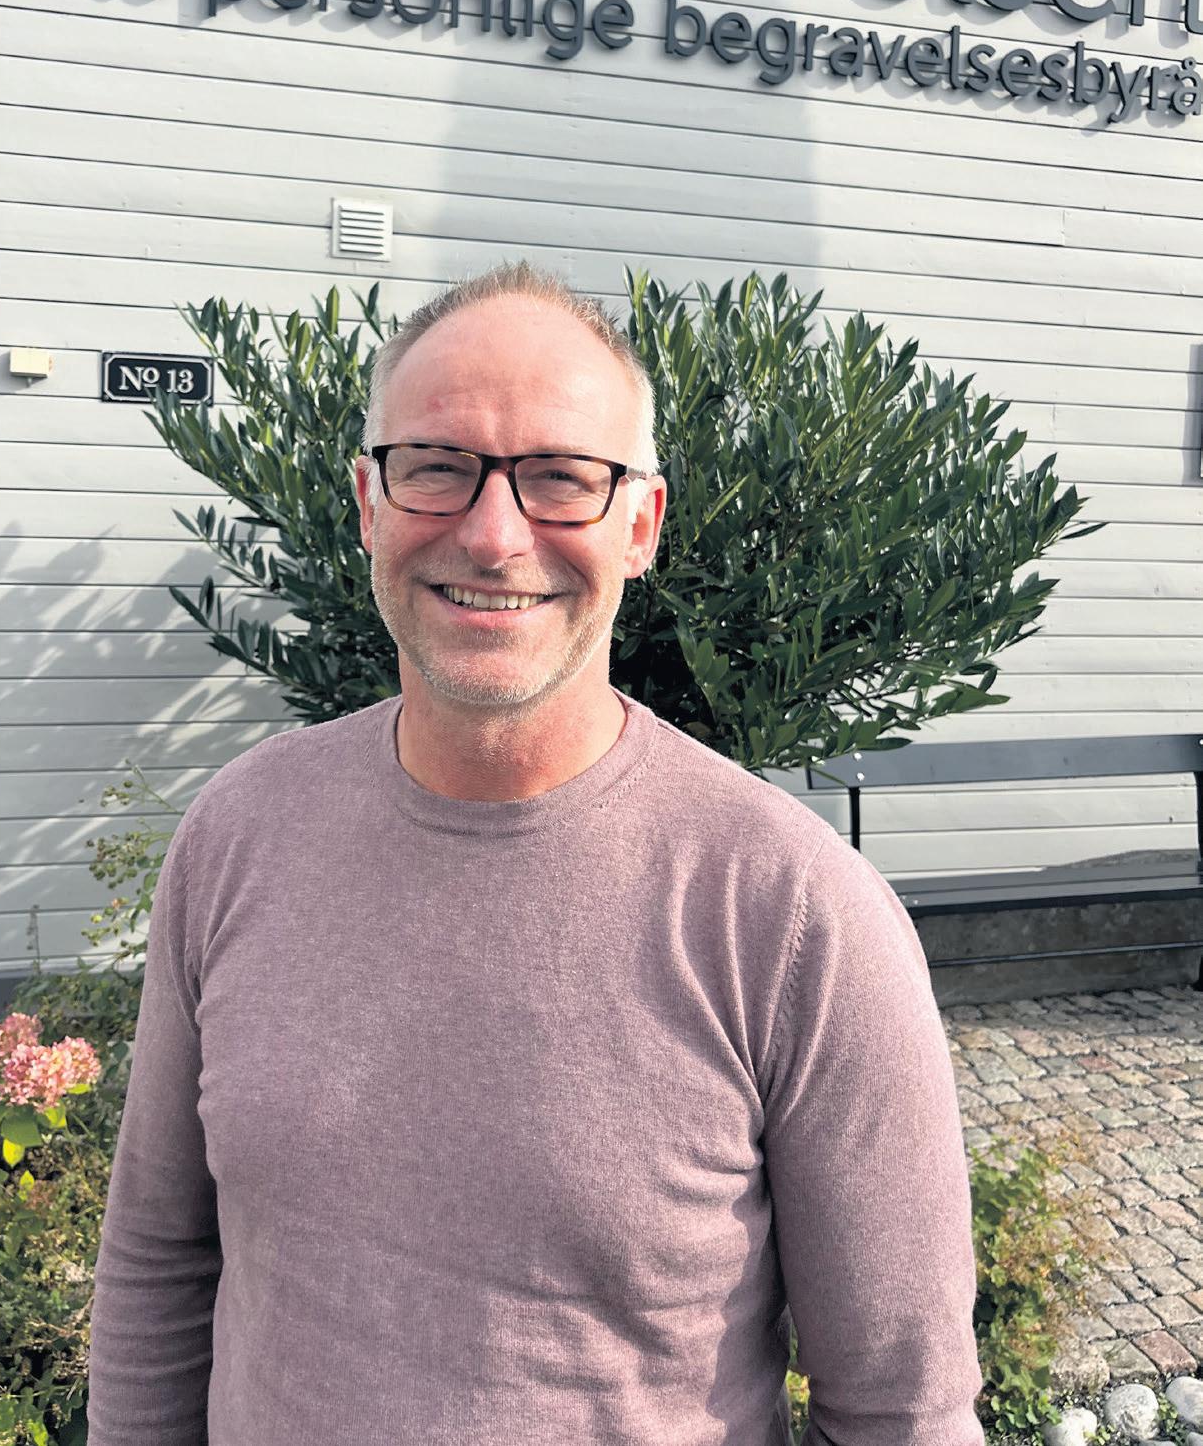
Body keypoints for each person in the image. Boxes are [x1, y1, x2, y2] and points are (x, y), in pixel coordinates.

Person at [86, 261, 985, 1446]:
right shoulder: (238, 834)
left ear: (640, 525)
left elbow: (901, 1411)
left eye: (561, 477)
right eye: (434, 465)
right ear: (367, 503)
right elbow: (158, 1259)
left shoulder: (792, 911)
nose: (493, 533)